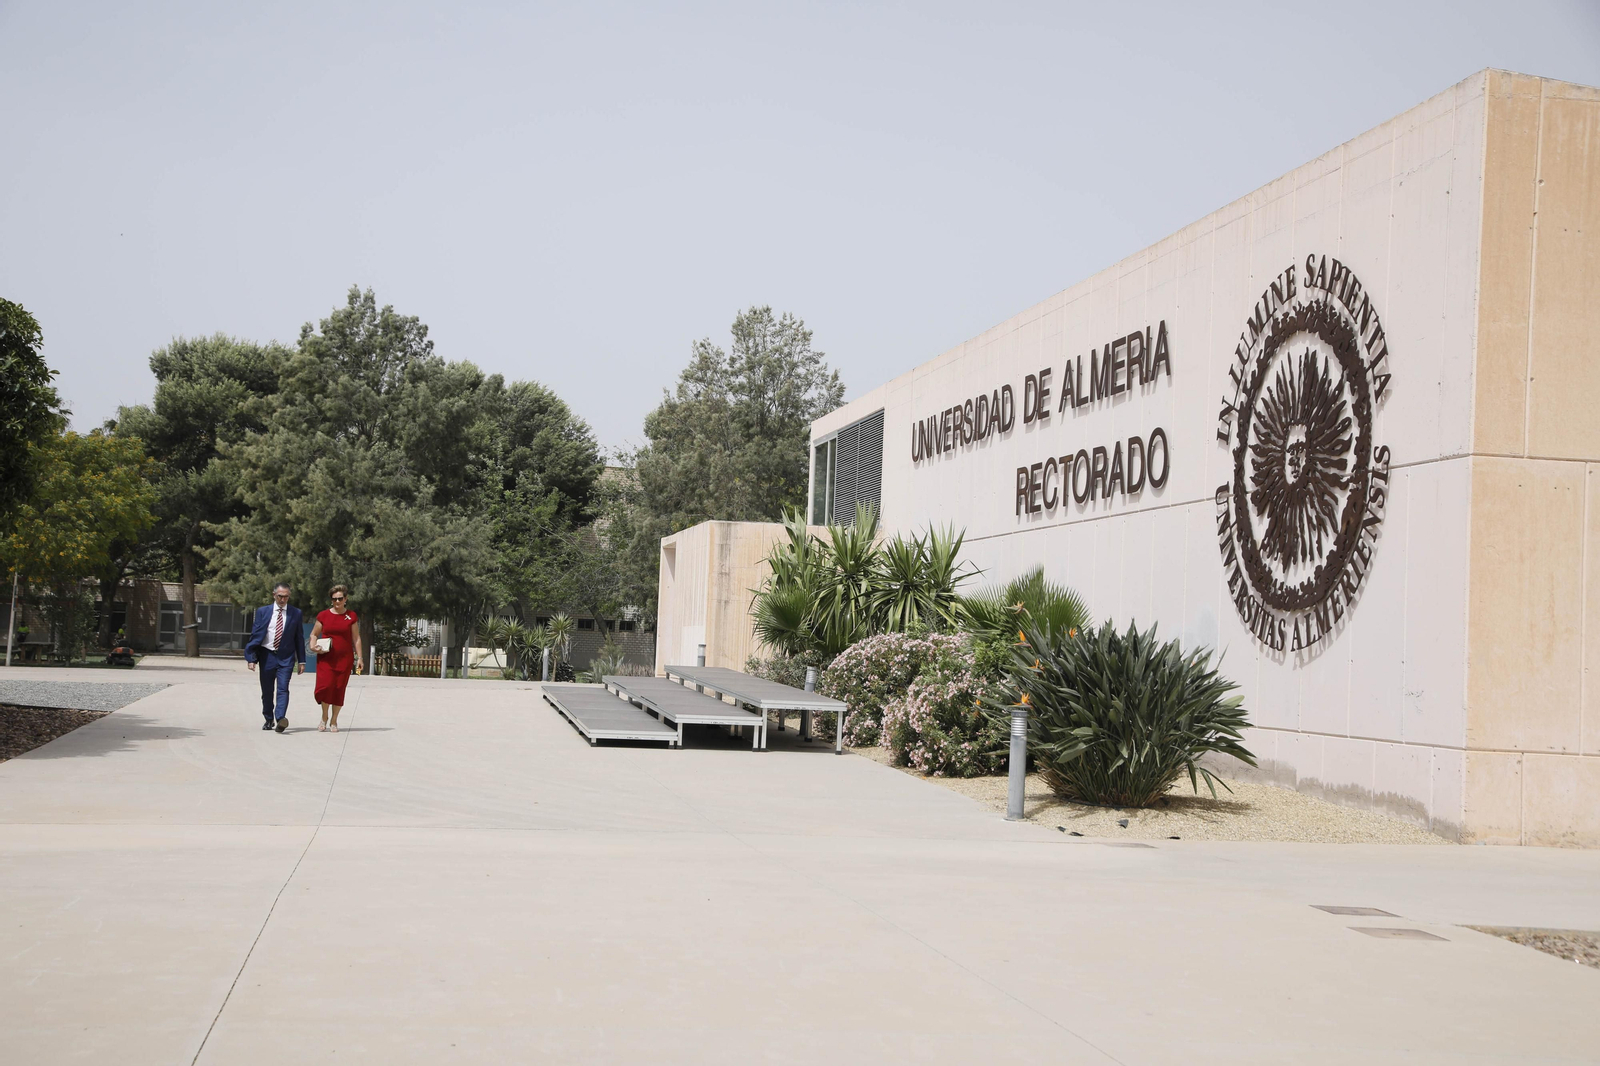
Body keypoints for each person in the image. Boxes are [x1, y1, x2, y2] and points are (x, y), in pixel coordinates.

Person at [244, 582, 306, 733]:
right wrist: (251, 658)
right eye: (280, 596)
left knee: (283, 689)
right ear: (274, 595)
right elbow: (255, 635)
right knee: (267, 690)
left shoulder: (295, 613)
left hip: (286, 657)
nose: (283, 599)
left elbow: (299, 637)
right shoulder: (263, 612)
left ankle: (280, 719)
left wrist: (302, 660)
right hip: (267, 655)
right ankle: (268, 718)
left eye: (286, 597)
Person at [310, 584, 363, 732]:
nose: (337, 602)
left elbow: (356, 638)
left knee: (339, 688)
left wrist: (360, 657)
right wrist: (313, 646)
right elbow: (314, 634)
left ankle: (334, 720)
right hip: (326, 658)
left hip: (344, 659)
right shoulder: (323, 615)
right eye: (334, 599)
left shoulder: (351, 616)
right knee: (325, 687)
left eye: (340, 599)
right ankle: (324, 716)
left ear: (345, 599)